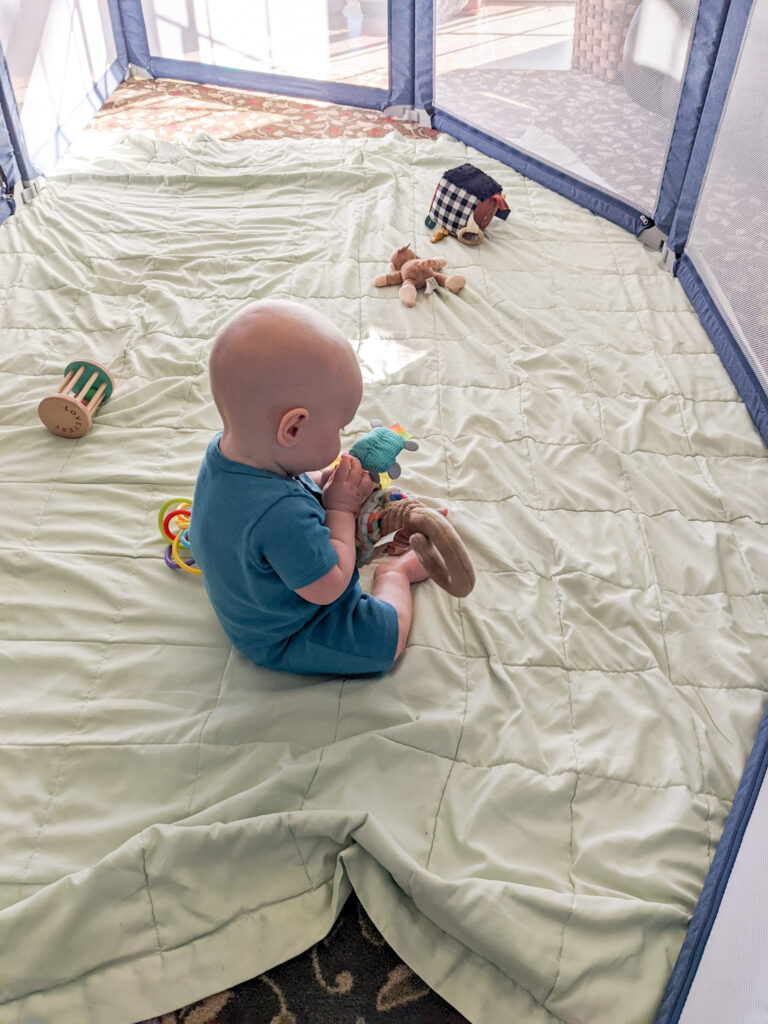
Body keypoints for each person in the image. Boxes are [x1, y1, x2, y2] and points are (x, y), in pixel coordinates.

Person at [189, 298, 428, 676]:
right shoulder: (279, 516)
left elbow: (290, 487)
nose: (342, 437)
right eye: (338, 428)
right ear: (294, 429)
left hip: (251, 591)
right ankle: (395, 576)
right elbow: (329, 587)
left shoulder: (233, 452)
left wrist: (326, 482)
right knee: (387, 640)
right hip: (286, 632)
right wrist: (341, 510)